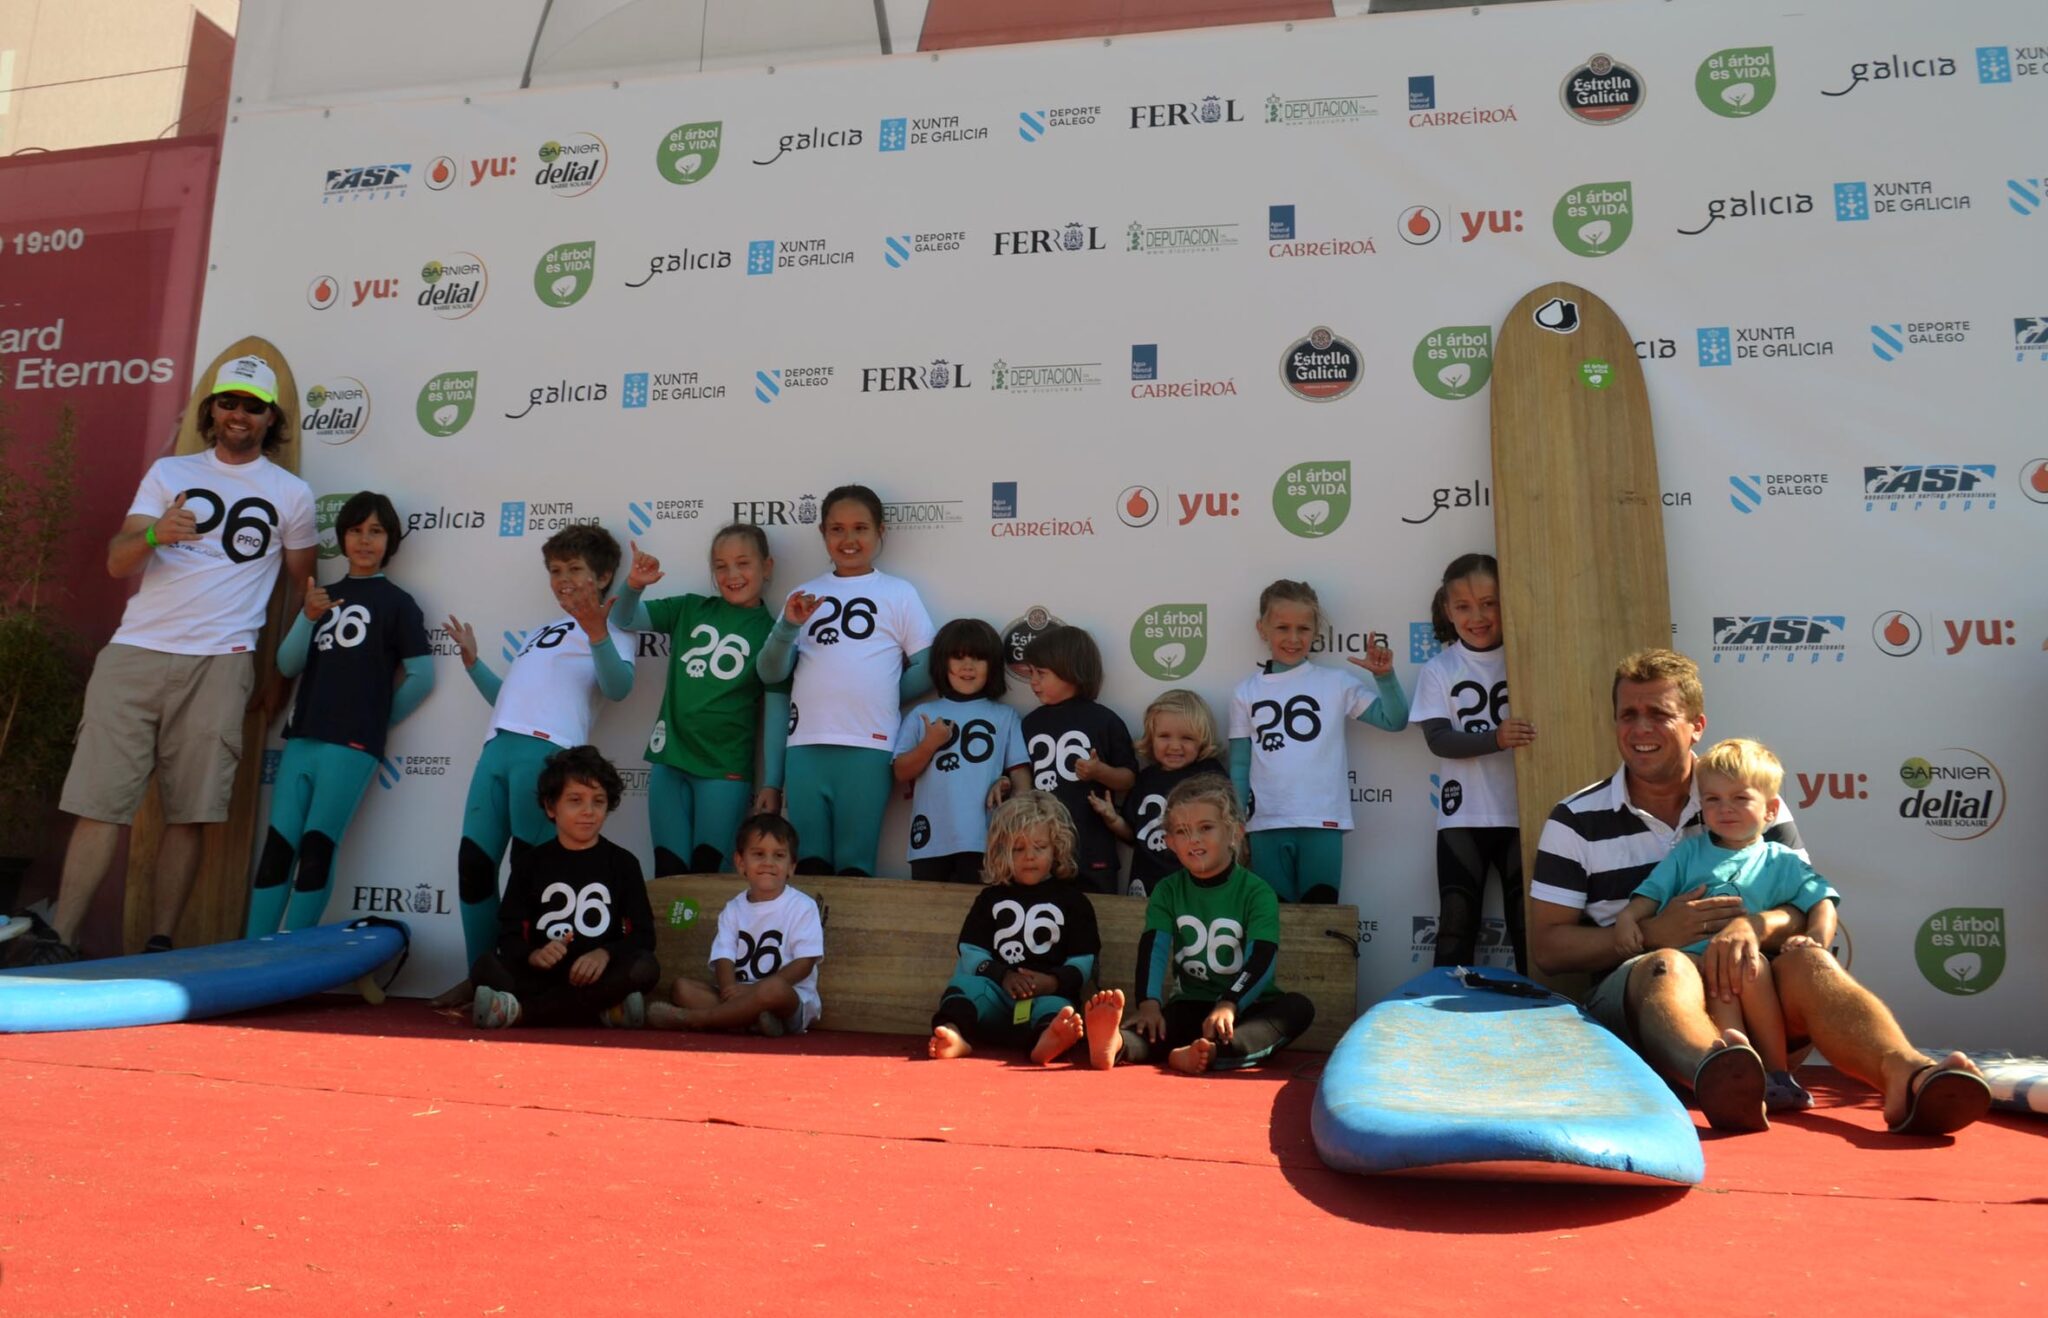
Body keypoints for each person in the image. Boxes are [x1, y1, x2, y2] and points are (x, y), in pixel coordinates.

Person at [1531, 648, 1990, 1135]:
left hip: (1757, 999)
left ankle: (1909, 1076)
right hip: (1638, 1016)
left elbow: (1805, 901)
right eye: (1628, 714)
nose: (1641, 728)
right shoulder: (1574, 819)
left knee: (1811, 961)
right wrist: (1653, 934)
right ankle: (1719, 1071)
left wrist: (1754, 925)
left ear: (1696, 725)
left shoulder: (1752, 797)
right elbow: (1548, 949)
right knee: (1669, 965)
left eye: (1660, 714)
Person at [16, 354, 315, 964]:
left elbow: (298, 591)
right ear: (211, 410)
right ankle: (61, 941)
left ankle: (161, 944)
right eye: (228, 402)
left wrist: (276, 673)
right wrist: (156, 535)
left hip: (222, 662)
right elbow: (117, 560)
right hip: (136, 653)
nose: (238, 414)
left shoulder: (292, 493)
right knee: (99, 804)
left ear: (270, 419)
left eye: (252, 406)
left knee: (193, 812)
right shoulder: (169, 471)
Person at [443, 525, 634, 977]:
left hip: (547, 758)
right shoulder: (542, 631)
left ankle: (523, 981)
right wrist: (474, 664)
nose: (563, 578)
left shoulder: (615, 629)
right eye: (555, 570)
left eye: (575, 569)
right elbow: (510, 700)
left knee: (528, 878)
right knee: (473, 867)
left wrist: (596, 633)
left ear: (604, 577)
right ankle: (481, 977)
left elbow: (619, 687)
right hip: (496, 752)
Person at [1612, 737, 1838, 1112]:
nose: (1725, 809)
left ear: (1770, 810)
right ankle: (1739, 1068)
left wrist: (1815, 937)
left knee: (1750, 966)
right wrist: (1627, 919)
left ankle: (1778, 1074)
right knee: (1720, 985)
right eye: (1713, 799)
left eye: (1740, 798)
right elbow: (1648, 896)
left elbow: (1823, 901)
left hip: (1750, 967)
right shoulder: (1688, 852)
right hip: (1693, 970)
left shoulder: (1780, 860)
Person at [246, 491, 434, 935]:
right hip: (303, 738)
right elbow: (288, 664)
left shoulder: (399, 604)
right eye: (355, 530)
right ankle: (252, 952)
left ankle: (292, 958)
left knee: (316, 849)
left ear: (391, 541)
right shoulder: (321, 596)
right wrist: (307, 617)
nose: (364, 541)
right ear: (342, 537)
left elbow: (423, 677)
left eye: (375, 531)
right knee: (277, 848)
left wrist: (372, 720)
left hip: (351, 746)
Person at [756, 485, 935, 876]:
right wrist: (788, 624)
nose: (849, 539)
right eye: (837, 529)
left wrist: (881, 697)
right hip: (805, 746)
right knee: (808, 866)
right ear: (822, 533)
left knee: (856, 866)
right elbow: (770, 673)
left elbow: (928, 665)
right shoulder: (804, 594)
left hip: (868, 746)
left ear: (880, 532)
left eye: (860, 528)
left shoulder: (898, 593)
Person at [1083, 775, 1315, 1074]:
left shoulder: (1257, 892)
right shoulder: (1167, 890)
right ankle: (1117, 1045)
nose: (1193, 839)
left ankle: (1212, 1052)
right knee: (1158, 1026)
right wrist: (1149, 1004)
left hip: (1245, 1008)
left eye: (1206, 828)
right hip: (1190, 1004)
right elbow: (1154, 949)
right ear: (1169, 842)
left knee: (1297, 1008)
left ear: (1234, 833)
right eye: (1182, 831)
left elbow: (1262, 958)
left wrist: (1230, 1003)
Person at [607, 526, 788, 876]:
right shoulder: (690, 608)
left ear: (767, 567)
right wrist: (634, 585)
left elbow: (778, 711)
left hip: (724, 771)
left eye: (743, 563)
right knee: (669, 872)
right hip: (670, 761)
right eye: (721, 566)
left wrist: (772, 783)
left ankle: (705, 935)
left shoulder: (775, 634)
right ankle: (672, 935)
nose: (732, 575)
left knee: (709, 876)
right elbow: (622, 617)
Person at [1228, 580, 1408, 904]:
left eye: (1303, 629)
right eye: (1282, 627)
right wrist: (1237, 820)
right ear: (1262, 628)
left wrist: (1385, 677)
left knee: (1321, 914)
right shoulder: (1245, 693)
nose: (1294, 638)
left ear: (1316, 632)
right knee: (1272, 918)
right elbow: (1240, 763)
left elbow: (1394, 720)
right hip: (1265, 823)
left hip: (1323, 822)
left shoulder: (1336, 684)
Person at [469, 746, 660, 1028]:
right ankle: (602, 1010)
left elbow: (643, 936)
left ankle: (520, 1013)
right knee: (485, 966)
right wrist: (533, 955)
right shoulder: (529, 864)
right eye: (575, 800)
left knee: (645, 967)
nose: (588, 812)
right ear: (550, 806)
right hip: (543, 975)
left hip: (599, 974)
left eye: (598, 801)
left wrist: (604, 954)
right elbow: (508, 936)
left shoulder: (623, 863)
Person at [1411, 554, 1533, 972]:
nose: (1477, 616)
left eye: (1489, 602)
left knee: (1528, 924)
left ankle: (1542, 1017)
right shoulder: (1439, 669)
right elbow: (1438, 739)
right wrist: (1496, 738)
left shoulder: (1531, 661)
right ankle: (1441, 1021)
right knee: (1456, 924)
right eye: (1463, 606)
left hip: (1526, 814)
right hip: (1462, 817)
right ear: (1447, 610)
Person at [927, 792, 1102, 1064]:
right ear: (1001, 851)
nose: (1029, 857)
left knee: (1061, 1011)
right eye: (1018, 849)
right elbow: (971, 952)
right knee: (963, 986)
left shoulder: (1074, 902)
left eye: (1039, 847)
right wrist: (1003, 976)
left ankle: (1044, 1044)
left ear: (1057, 848)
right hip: (995, 998)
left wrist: (1052, 982)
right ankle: (954, 1035)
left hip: (1045, 997)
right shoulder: (990, 898)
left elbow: (1083, 961)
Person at [648, 813, 824, 1034]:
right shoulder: (733, 908)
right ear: (741, 863)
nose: (768, 862)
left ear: (791, 867)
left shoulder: (802, 906)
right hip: (740, 993)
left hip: (786, 998)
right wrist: (728, 988)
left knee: (773, 989)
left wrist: (755, 991)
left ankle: (700, 1019)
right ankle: (750, 1021)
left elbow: (805, 962)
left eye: (779, 855)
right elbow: (724, 956)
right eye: (758, 854)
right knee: (682, 988)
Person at [893, 618, 1031, 883]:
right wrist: (929, 744)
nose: (968, 667)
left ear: (992, 665)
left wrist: (1011, 797)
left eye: (978, 658)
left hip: (987, 841)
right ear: (942, 663)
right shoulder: (922, 714)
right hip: (929, 842)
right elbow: (901, 772)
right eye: (958, 658)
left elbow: (1020, 777)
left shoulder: (1005, 716)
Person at [1018, 625, 1138, 894]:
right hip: (1039, 852)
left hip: (1093, 849)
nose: (1033, 682)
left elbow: (1129, 778)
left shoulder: (1105, 720)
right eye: (1031, 673)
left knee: (1097, 923)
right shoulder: (1029, 723)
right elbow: (1019, 775)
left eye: (1041, 673)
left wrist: (1100, 772)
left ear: (1071, 671)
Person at [1086, 688, 1226, 898]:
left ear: (1202, 740)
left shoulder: (1210, 774)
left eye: (1187, 738)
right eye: (1164, 736)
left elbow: (1227, 828)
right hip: (1148, 886)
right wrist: (1112, 818)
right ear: (1151, 738)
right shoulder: (1146, 779)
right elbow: (1132, 833)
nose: (1175, 746)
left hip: (1198, 884)